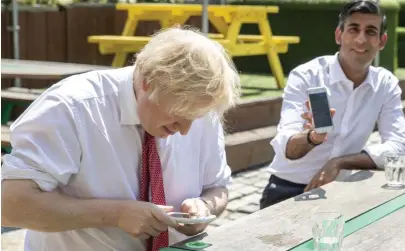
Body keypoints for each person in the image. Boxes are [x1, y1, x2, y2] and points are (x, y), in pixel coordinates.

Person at [1, 26, 241, 251]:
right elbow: (11, 205)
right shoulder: (71, 108)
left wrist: (206, 207)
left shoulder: (202, 108)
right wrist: (115, 214)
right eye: (179, 114)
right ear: (148, 82)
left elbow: (217, 187)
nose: (187, 130)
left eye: (196, 117)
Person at [260, 0, 405, 209]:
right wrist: (312, 138)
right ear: (339, 35)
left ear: (381, 41)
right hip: (288, 190)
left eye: (370, 32)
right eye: (353, 29)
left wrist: (340, 162)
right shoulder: (306, 76)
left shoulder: (385, 84)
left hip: (341, 191)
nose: (360, 39)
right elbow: (287, 148)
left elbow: (400, 149)